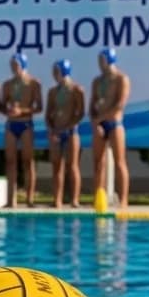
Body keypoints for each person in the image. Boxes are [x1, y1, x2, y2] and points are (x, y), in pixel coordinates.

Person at [90, 47, 132, 208]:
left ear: (110, 60)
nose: (100, 64)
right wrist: (95, 123)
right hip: (99, 124)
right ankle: (98, 198)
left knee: (120, 162)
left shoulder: (121, 79)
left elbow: (120, 105)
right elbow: (92, 105)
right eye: (98, 61)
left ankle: (123, 200)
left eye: (102, 60)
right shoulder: (97, 81)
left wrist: (100, 119)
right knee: (98, 163)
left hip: (115, 124)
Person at [0, 51, 42, 208]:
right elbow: (2, 106)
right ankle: (11, 200)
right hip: (11, 125)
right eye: (12, 65)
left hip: (26, 124)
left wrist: (22, 111)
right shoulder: (7, 85)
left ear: (23, 65)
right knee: (10, 161)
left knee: (28, 161)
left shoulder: (33, 83)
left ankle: (30, 199)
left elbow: (39, 107)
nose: (13, 68)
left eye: (16, 65)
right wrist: (8, 110)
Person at [45, 59, 86, 209]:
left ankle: (74, 200)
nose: (54, 75)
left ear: (64, 71)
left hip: (71, 132)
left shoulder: (76, 90)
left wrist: (69, 126)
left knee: (73, 165)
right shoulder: (52, 92)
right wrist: (51, 130)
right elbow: (48, 114)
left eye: (56, 72)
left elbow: (80, 113)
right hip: (56, 132)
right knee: (56, 166)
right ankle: (57, 200)